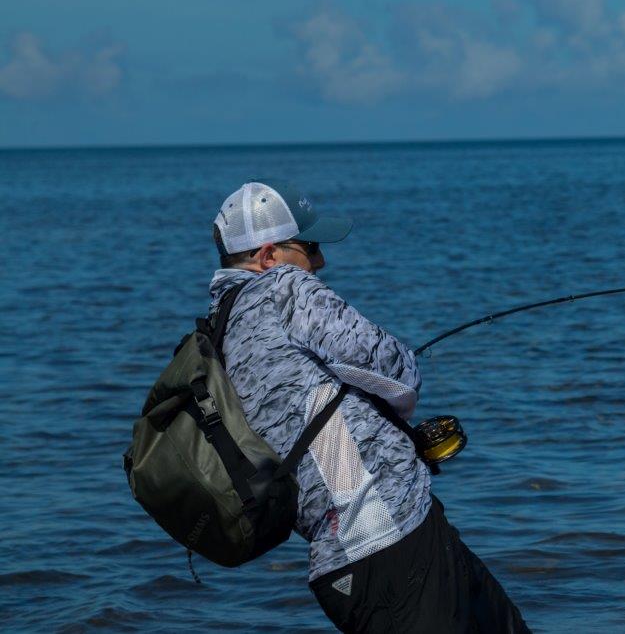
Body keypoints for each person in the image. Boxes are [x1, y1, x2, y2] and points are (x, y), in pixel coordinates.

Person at [210, 180, 530, 633]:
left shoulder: (223, 330)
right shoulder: (284, 288)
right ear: (269, 257)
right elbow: (397, 373)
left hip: (376, 543)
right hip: (384, 542)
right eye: (311, 246)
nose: (320, 261)